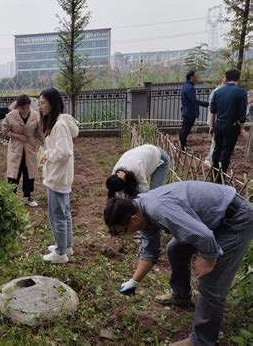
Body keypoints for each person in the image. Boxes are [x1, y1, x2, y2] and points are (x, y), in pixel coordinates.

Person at [103, 181, 253, 346]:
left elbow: (204, 237)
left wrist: (208, 258)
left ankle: (201, 341)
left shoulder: (158, 209)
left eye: (121, 231)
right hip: (212, 219)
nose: (123, 235)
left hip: (235, 219)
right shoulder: (140, 211)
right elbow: (150, 252)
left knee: (211, 281)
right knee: (176, 249)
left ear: (134, 219)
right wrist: (134, 281)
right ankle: (181, 296)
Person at [39, 88, 79, 264]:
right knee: (64, 212)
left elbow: (63, 152)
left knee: (57, 214)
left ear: (52, 103)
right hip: (59, 175)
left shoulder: (59, 125)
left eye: (43, 103)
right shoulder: (57, 122)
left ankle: (60, 252)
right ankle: (66, 245)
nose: (40, 107)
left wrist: (45, 154)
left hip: (57, 176)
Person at [2, 94, 44, 207]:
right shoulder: (10, 116)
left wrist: (45, 143)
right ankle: (11, 198)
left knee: (29, 172)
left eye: (27, 107)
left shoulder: (35, 115)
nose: (25, 110)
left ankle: (27, 197)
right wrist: (18, 136)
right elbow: (5, 131)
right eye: (22, 108)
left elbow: (39, 132)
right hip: (16, 148)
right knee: (14, 173)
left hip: (30, 147)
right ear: (17, 107)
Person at [210, 69, 248, 182]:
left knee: (217, 148)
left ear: (226, 78)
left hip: (218, 124)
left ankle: (214, 174)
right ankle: (220, 178)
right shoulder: (241, 92)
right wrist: (241, 128)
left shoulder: (217, 92)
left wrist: (212, 126)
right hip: (231, 125)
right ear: (238, 78)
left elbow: (213, 110)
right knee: (226, 150)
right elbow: (242, 114)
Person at [106, 144, 170, 199]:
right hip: (145, 153)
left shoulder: (136, 168)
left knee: (154, 194)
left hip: (160, 157)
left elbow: (144, 192)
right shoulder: (115, 175)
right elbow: (116, 194)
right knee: (132, 194)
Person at [179, 71, 209, 152]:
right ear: (191, 77)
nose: (197, 77)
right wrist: (207, 104)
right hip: (189, 112)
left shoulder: (185, 86)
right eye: (196, 76)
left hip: (186, 111)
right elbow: (193, 101)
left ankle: (183, 148)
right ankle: (184, 149)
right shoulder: (190, 88)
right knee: (185, 131)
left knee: (184, 130)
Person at [203, 79, 226, 166]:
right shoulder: (218, 91)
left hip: (215, 120)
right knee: (215, 141)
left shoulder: (217, 91)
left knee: (216, 141)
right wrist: (212, 124)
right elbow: (214, 109)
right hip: (216, 120)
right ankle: (209, 159)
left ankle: (212, 158)